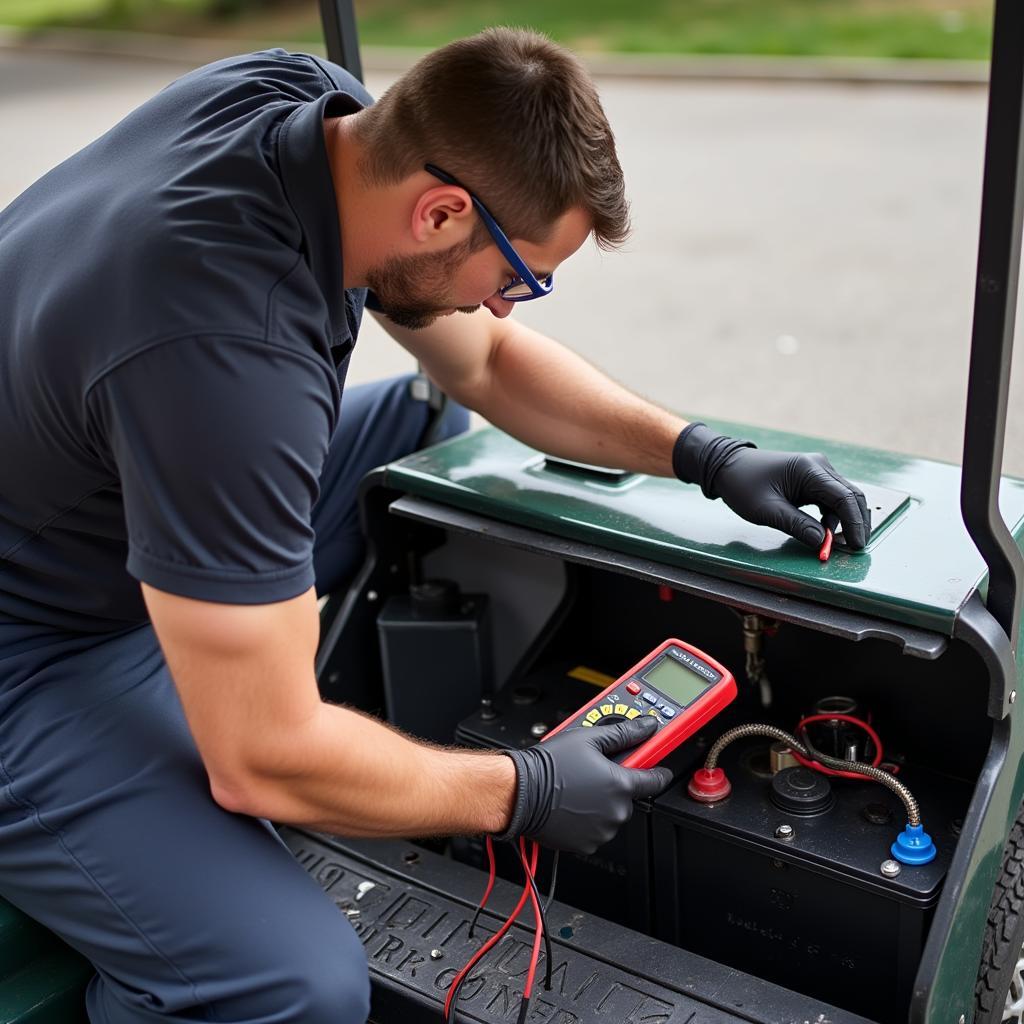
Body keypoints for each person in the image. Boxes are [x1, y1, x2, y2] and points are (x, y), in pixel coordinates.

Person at [0, 28, 870, 1024]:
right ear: (441, 209)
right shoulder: (226, 354)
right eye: (521, 276)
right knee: (283, 985)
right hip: (34, 647)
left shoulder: (301, 103)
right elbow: (256, 761)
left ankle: (288, 672)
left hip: (88, 487)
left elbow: (486, 367)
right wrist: (520, 788)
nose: (512, 304)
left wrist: (707, 455)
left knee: (422, 422)